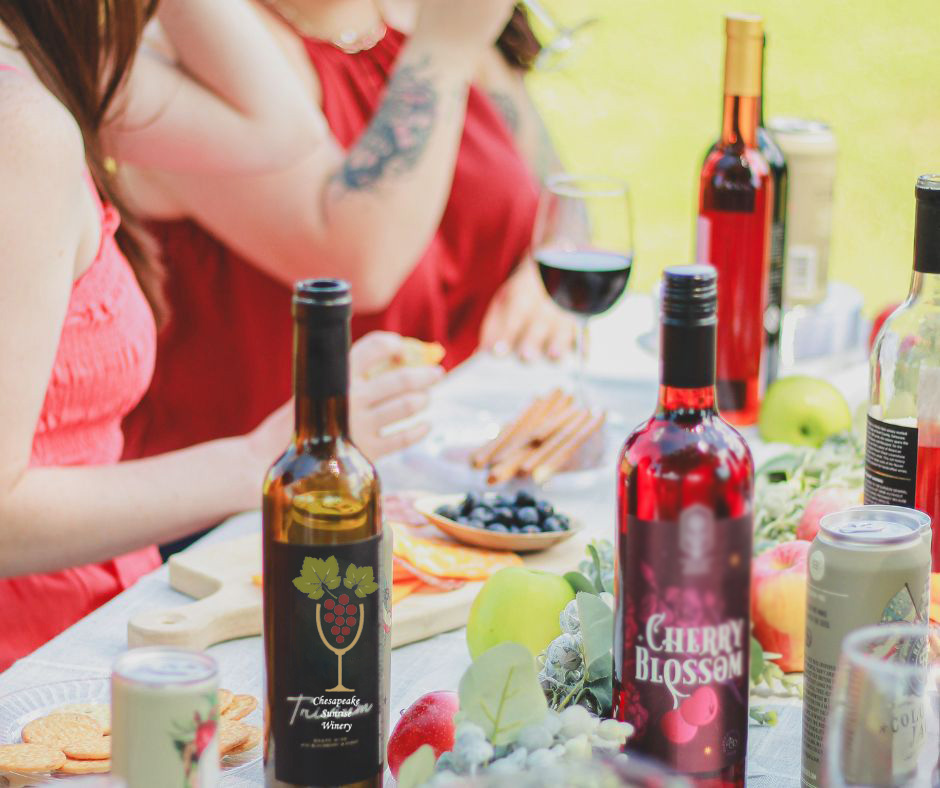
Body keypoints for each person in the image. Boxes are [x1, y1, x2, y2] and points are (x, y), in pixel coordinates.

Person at [0, 0, 438, 670]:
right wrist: (259, 458)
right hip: (38, 659)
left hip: (103, 620)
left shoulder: (48, 60)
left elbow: (281, 129)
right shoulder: (24, 131)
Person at [119, 0, 575, 463]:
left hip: (472, 453)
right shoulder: (191, 44)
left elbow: (561, 196)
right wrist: (444, 51)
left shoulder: (421, 10)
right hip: (281, 486)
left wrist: (544, 275)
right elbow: (359, 269)